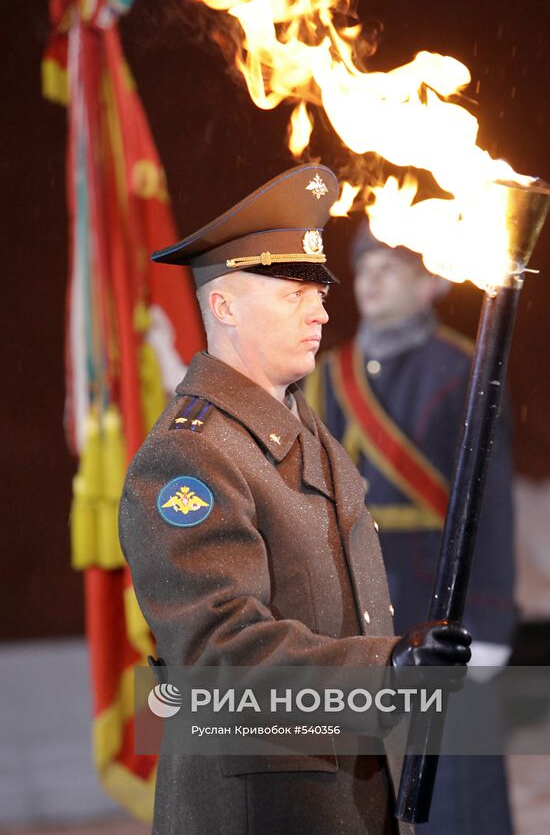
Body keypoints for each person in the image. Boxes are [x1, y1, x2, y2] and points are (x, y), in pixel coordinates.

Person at [119, 164, 471, 835]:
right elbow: (219, 652)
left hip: (339, 796)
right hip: (261, 809)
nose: (322, 309)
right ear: (223, 307)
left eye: (319, 290)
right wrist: (386, 667)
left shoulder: (300, 428)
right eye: (292, 294)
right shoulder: (189, 457)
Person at [305, 222, 517, 835]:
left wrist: (490, 619)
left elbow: (490, 507)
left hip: (438, 604)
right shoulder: (323, 376)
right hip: (354, 616)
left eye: (389, 268)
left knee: (458, 794)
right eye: (363, 267)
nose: (369, 279)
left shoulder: (463, 373)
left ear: (429, 283)